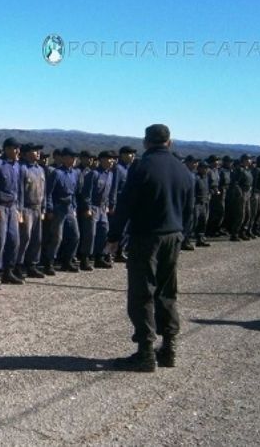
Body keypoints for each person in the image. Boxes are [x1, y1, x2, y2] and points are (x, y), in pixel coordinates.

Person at [106, 124, 193, 372]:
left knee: (142, 293)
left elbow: (125, 203)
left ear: (146, 142)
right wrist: (182, 235)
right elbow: (190, 208)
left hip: (147, 237)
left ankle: (145, 352)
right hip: (173, 236)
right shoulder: (182, 169)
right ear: (170, 142)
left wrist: (114, 235)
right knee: (166, 292)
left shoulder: (141, 167)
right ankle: (169, 348)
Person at [0, 137, 24, 286]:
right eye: (15, 148)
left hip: (13, 207)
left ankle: (9, 271)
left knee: (14, 241)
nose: (17, 151)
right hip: (0, 206)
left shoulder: (17, 166)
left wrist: (19, 209)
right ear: (7, 149)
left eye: (18, 148)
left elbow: (19, 189)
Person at [42, 147, 82, 274]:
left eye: (75, 157)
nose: (74, 160)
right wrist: (49, 209)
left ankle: (67, 261)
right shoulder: (56, 173)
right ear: (65, 158)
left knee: (75, 236)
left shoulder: (75, 173)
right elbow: (49, 193)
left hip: (70, 208)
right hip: (58, 207)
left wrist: (74, 207)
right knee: (56, 237)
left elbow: (74, 193)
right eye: (72, 157)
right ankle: (49, 263)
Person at [16, 143, 46, 278]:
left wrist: (44, 207)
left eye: (38, 150)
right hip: (26, 208)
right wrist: (20, 210)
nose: (38, 153)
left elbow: (44, 190)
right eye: (35, 150)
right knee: (24, 238)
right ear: (27, 153)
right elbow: (20, 192)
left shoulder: (40, 169)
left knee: (36, 238)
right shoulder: (22, 168)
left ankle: (32, 265)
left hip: (38, 207)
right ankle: (18, 265)